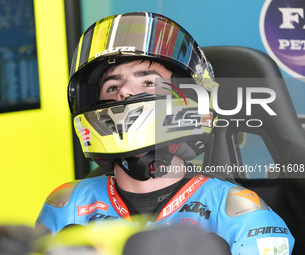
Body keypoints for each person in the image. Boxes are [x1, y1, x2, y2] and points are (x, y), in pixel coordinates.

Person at [35, 12, 295, 254]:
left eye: (148, 82)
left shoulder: (235, 210)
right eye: (112, 86)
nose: (125, 92)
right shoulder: (68, 205)